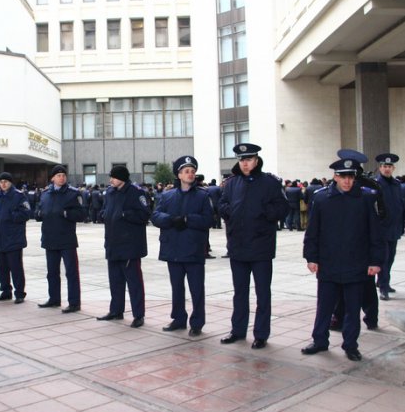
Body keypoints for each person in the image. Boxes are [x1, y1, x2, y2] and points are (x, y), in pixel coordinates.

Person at [302, 158, 384, 361]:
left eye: (350, 177)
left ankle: (350, 345)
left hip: (356, 263)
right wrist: (311, 257)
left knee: (352, 308)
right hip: (328, 262)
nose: (347, 181)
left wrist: (375, 261)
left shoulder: (365, 199)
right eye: (342, 176)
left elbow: (375, 232)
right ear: (335, 176)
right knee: (325, 307)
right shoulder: (321, 198)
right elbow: (313, 232)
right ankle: (320, 340)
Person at [219, 143, 289, 349]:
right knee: (239, 292)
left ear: (256, 160)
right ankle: (238, 330)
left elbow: (282, 207)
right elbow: (221, 204)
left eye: (248, 159)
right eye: (242, 160)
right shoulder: (232, 183)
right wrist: (230, 212)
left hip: (261, 247)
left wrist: (265, 213)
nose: (245, 163)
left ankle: (261, 333)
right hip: (238, 246)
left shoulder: (270, 182)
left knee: (262, 292)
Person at [151, 156, 213, 336]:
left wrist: (188, 219)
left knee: (197, 289)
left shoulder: (203, 196)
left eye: (193, 171)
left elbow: (208, 219)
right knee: (176, 287)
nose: (190, 174)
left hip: (193, 249)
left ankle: (197, 322)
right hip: (174, 249)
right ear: (179, 175)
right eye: (186, 171)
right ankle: (178, 319)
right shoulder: (167, 195)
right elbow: (155, 216)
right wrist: (170, 219)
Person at [97, 165, 151, 328]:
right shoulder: (110, 192)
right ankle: (116, 310)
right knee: (115, 280)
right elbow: (106, 210)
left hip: (129, 245)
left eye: (113, 177)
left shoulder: (136, 192)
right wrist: (104, 214)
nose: (110, 180)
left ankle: (138, 315)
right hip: (113, 243)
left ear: (121, 177)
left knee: (134, 282)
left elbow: (144, 214)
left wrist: (124, 214)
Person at [35, 165, 86, 313]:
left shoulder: (73, 194)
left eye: (63, 175)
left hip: (66, 239)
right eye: (58, 175)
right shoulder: (45, 193)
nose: (61, 177)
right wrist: (38, 213)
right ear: (52, 178)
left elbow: (82, 214)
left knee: (71, 272)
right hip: (49, 238)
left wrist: (66, 214)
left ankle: (74, 302)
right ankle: (54, 299)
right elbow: (38, 209)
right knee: (52, 272)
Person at [0, 172, 31, 303]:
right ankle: (5, 291)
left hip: (14, 237)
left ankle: (20, 293)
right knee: (2, 267)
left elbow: (26, 213)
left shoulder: (18, 196)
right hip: (0, 237)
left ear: (10, 182)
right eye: (1, 182)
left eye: (6, 181)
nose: (3, 184)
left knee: (15, 267)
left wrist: (10, 216)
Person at [375, 154, 404, 300]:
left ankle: (382, 281)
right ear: (380, 168)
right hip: (381, 228)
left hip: (394, 227)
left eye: (389, 167)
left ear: (393, 168)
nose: (387, 169)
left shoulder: (396, 184)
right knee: (384, 259)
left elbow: (399, 204)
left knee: (391, 257)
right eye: (384, 166)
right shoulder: (375, 184)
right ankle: (383, 288)